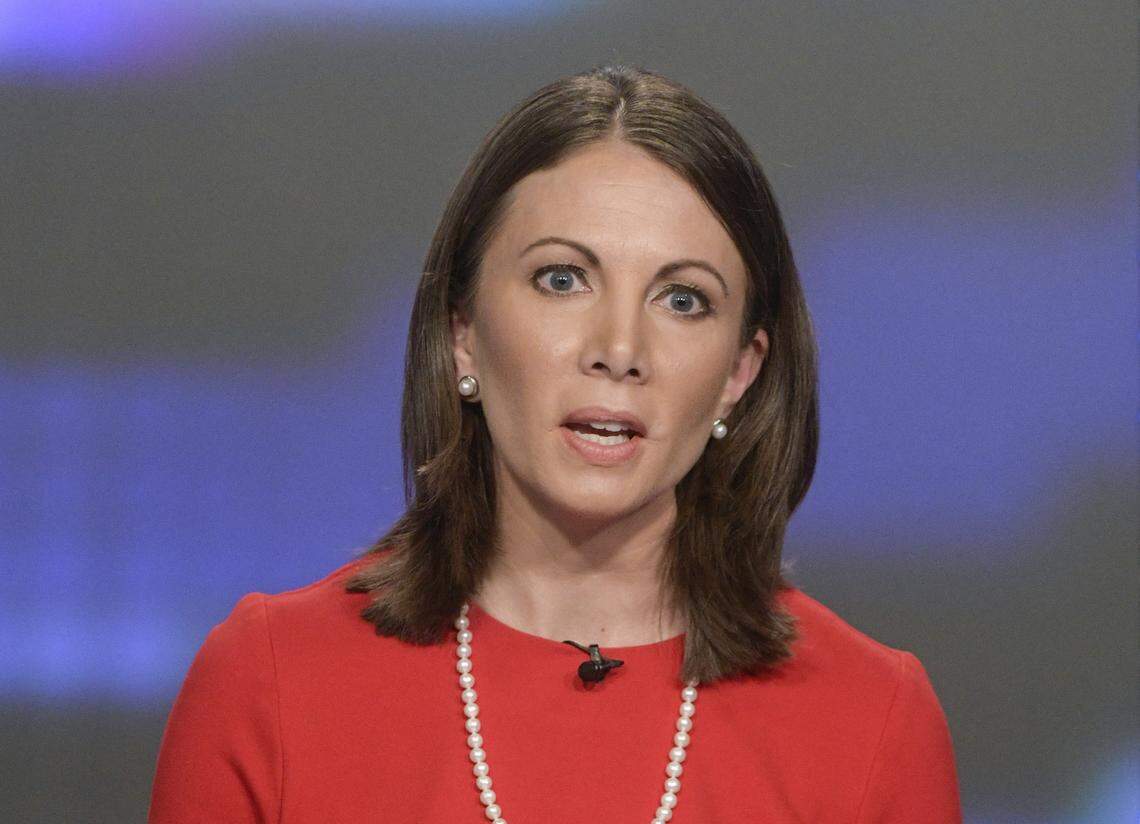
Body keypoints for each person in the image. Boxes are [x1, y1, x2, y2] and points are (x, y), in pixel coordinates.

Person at [148, 64, 961, 823]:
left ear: (738, 373)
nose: (619, 348)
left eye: (682, 300)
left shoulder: (871, 719)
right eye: (562, 279)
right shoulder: (271, 684)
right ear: (463, 333)